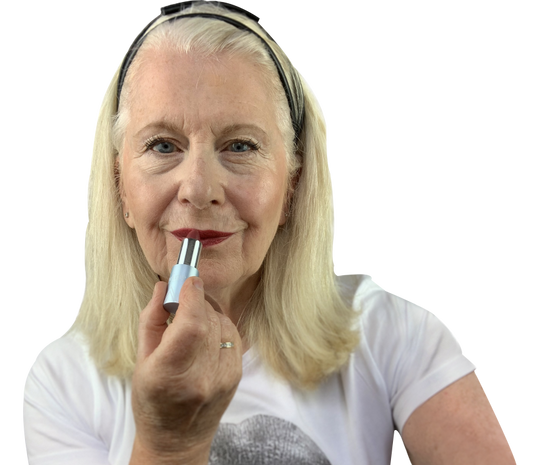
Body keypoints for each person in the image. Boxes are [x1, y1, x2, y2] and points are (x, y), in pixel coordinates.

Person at [20, 1, 519, 464]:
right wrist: (168, 444)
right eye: (163, 146)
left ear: (292, 186)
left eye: (239, 146)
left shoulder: (390, 333)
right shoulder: (62, 381)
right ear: (120, 188)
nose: (198, 189)